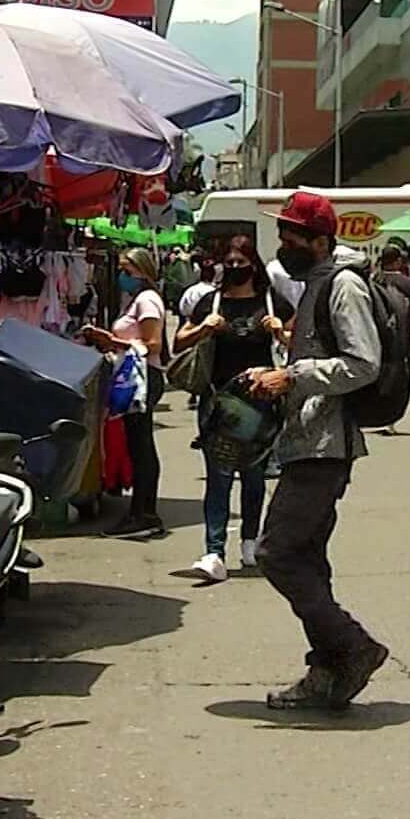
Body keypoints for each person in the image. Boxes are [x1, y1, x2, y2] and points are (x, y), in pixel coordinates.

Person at [241, 191, 388, 710]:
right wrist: (275, 375)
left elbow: (362, 363)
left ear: (320, 240)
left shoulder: (343, 287)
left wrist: (294, 377)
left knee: (276, 552)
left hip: (326, 446)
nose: (283, 246)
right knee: (306, 559)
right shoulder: (315, 286)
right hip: (305, 440)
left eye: (292, 237)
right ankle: (327, 670)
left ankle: (352, 646)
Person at [174, 236, 292, 582]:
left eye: (242, 262)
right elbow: (178, 342)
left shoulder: (272, 302)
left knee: (254, 477)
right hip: (218, 404)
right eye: (230, 262)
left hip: (262, 406)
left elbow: (299, 345)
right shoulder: (210, 302)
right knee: (219, 478)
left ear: (254, 265)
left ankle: (249, 542)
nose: (236, 268)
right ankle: (214, 552)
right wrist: (202, 328)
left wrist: (280, 333)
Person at [83, 247, 169, 539]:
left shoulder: (147, 301)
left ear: (142, 272)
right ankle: (142, 511)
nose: (122, 276)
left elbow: (152, 344)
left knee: (141, 445)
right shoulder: (137, 300)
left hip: (144, 378)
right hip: (136, 377)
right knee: (138, 443)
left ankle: (143, 513)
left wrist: (111, 340)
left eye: (126, 271)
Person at [376, 242, 410, 352]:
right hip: (402, 337)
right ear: (398, 261)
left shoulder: (373, 281)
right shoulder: (408, 284)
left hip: (376, 337)